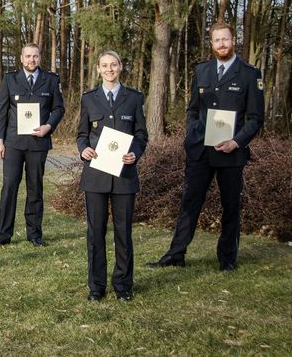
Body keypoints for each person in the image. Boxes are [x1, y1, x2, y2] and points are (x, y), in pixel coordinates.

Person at [148, 21, 264, 272]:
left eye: (225, 39)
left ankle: (227, 258)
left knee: (231, 205)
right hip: (200, 150)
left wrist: (236, 141)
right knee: (189, 203)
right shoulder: (202, 71)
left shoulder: (249, 74)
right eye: (216, 40)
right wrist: (191, 133)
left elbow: (256, 118)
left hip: (231, 152)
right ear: (211, 44)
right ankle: (176, 254)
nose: (221, 44)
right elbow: (192, 108)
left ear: (234, 40)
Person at [77, 51, 148, 302]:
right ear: (98, 69)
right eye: (104, 66)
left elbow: (141, 135)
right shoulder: (89, 99)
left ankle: (123, 285)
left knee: (123, 232)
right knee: (95, 233)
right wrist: (83, 149)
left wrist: (135, 153)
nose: (109, 69)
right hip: (95, 174)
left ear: (121, 66)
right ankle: (96, 286)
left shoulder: (134, 98)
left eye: (113, 65)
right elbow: (82, 134)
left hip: (124, 175)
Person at [0, 43, 65, 247]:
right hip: (13, 143)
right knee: (10, 187)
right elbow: (2, 112)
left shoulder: (51, 80)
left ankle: (34, 234)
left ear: (40, 58)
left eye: (36, 56)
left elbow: (58, 108)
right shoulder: (10, 79)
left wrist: (48, 126)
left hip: (38, 143)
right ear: (21, 58)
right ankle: (3, 234)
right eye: (28, 56)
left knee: (35, 189)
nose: (32, 60)